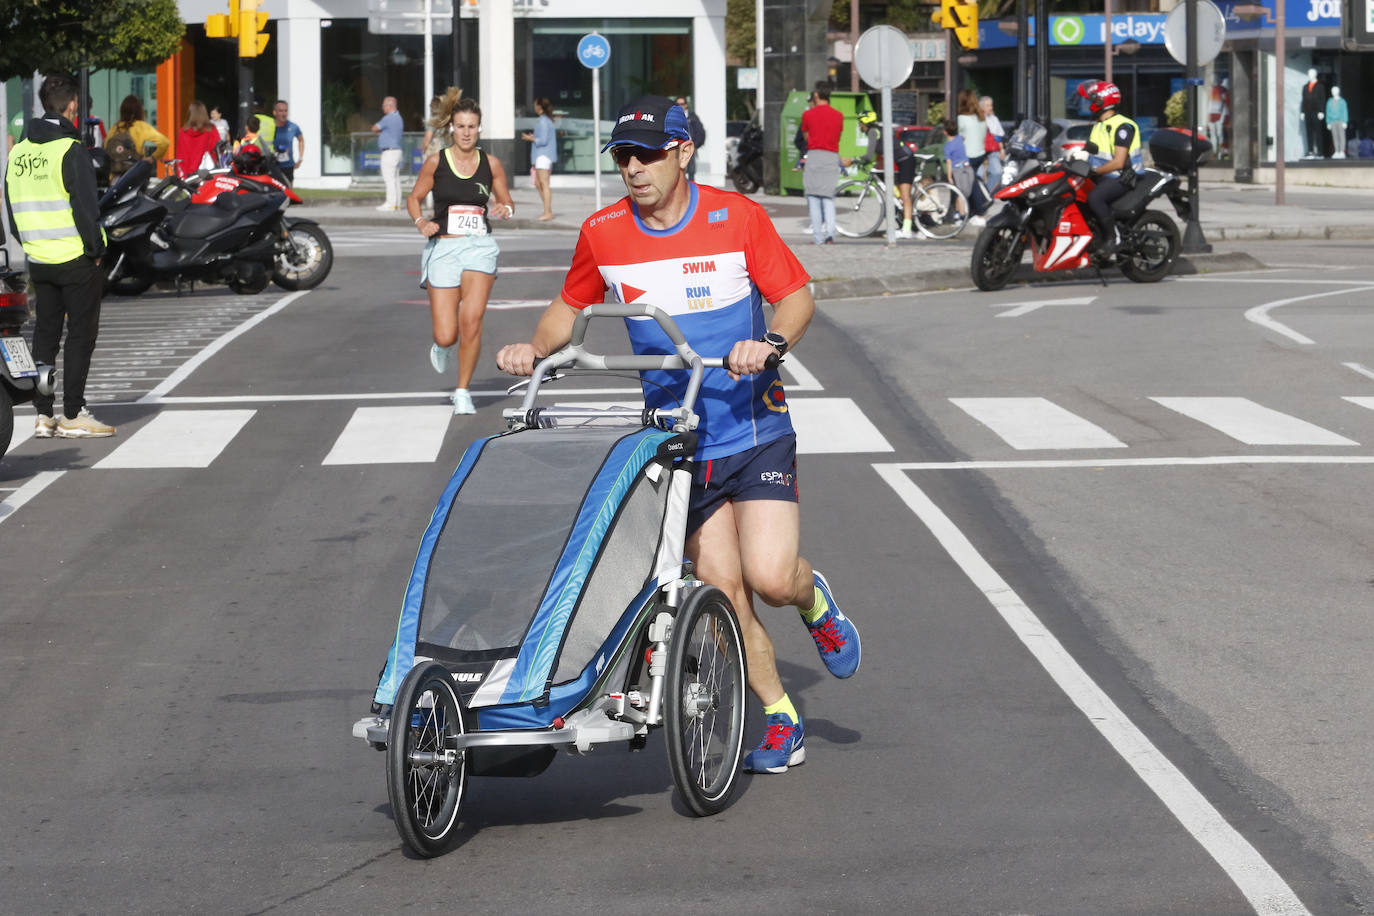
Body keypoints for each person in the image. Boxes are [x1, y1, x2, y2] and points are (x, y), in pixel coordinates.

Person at [495, 94, 861, 775]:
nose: (634, 168)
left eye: (648, 154)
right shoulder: (604, 232)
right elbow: (567, 309)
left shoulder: (737, 217)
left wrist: (771, 342)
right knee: (722, 593)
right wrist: (531, 351)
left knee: (772, 578)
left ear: (683, 152)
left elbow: (797, 295)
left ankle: (814, 600)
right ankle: (780, 716)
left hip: (752, 427)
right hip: (679, 439)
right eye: (623, 156)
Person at [5, 75, 115, 438]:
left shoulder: (18, 152)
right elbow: (86, 208)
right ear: (71, 105)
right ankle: (73, 413)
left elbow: (12, 211)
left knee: (46, 335)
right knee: (81, 335)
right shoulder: (70, 148)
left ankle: (43, 415)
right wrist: (96, 251)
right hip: (75, 258)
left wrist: (31, 245)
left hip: (39, 259)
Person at [406, 96, 514, 415]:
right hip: (444, 248)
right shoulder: (436, 163)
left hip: (479, 247)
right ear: (452, 128)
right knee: (446, 333)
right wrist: (421, 221)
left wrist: (504, 209)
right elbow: (414, 198)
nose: (466, 133)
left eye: (472, 127)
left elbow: (507, 201)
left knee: (472, 319)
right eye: (461, 126)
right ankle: (442, 347)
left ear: (479, 129)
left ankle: (463, 390)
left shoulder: (491, 164)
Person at [1080, 79, 1142, 257]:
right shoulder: (1099, 125)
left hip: (1122, 176)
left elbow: (1118, 162)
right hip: (1103, 175)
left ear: (1103, 101)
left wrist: (1094, 171)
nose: (1090, 104)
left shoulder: (1122, 126)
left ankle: (1112, 238)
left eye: (1093, 100)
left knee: (1095, 198)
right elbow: (1089, 152)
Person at [800, 81, 843, 245]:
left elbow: (805, 136)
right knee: (828, 198)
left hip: (814, 155)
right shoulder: (838, 115)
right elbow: (837, 136)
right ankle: (830, 235)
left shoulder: (808, 115)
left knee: (813, 198)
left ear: (816, 95)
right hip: (832, 156)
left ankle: (818, 237)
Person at [107, 95, 169, 168]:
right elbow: (164, 142)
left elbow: (106, 146)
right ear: (139, 111)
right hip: (134, 171)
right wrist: (153, 157)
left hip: (114, 173)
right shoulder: (140, 126)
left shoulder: (115, 127)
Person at [521, 97, 557, 220]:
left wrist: (530, 138)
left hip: (543, 155)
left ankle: (548, 211)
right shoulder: (545, 120)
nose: (534, 107)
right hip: (542, 155)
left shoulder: (543, 121)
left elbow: (543, 140)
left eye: (535, 105)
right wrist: (534, 137)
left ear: (539, 107)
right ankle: (548, 209)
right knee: (538, 183)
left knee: (543, 183)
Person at [373, 96, 405, 211]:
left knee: (389, 178)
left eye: (384, 105)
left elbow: (374, 128)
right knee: (396, 178)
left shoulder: (388, 118)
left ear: (390, 105)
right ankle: (397, 203)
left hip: (389, 152)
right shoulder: (399, 118)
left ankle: (390, 203)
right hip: (397, 150)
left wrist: (381, 132)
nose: (382, 108)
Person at [176, 101, 220, 178]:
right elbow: (216, 149)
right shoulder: (210, 129)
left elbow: (180, 154)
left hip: (187, 173)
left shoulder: (183, 131)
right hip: (205, 172)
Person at [955, 89, 987, 186]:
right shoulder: (981, 117)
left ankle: (981, 200)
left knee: (969, 184)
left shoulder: (962, 118)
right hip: (980, 153)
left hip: (968, 155)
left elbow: (960, 138)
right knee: (973, 180)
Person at [269, 99, 305, 184]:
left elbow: (301, 140)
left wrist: (300, 158)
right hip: (272, 165)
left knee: (288, 192)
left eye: (285, 111)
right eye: (280, 111)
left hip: (288, 165)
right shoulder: (269, 126)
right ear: (274, 112)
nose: (284, 114)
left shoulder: (293, 127)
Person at [676, 95, 705, 182]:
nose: (680, 106)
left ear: (686, 105)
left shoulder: (692, 117)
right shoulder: (673, 117)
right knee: (678, 169)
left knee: (691, 170)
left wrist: (695, 144)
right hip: (677, 147)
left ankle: (691, 188)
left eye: (682, 104)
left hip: (689, 146)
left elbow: (700, 132)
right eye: (678, 104)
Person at [980, 96, 1005, 191]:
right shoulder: (978, 119)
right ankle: (980, 193)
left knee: (997, 172)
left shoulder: (994, 119)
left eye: (991, 105)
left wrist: (1002, 150)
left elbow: (999, 136)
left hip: (993, 149)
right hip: (979, 149)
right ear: (982, 107)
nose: (990, 108)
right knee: (980, 174)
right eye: (987, 105)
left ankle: (988, 192)